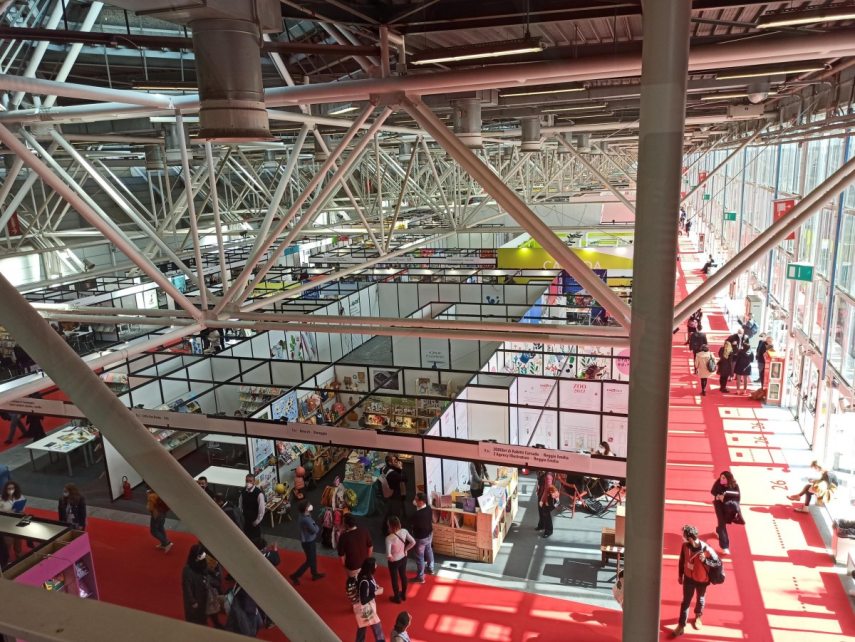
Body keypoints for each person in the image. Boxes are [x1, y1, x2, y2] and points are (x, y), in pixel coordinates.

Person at [674, 524, 717, 637]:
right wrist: (680, 575)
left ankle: (698, 616)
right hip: (688, 578)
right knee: (685, 601)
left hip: (702, 579)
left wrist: (705, 561)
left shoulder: (706, 548)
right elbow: (682, 560)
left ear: (690, 538)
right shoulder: (685, 546)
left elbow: (717, 563)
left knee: (700, 598)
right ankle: (681, 625)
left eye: (684, 536)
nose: (683, 538)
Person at [289, 500, 325, 585]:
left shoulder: (303, 515)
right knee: (310, 561)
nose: (310, 506)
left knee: (313, 558)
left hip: (308, 540)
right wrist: (316, 526)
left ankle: (314, 573)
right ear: (306, 509)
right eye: (309, 505)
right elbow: (315, 530)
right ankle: (295, 576)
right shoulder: (306, 519)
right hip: (309, 542)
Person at [354, 558, 386, 642]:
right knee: (377, 627)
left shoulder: (365, 575)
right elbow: (363, 600)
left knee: (362, 626)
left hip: (365, 608)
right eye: (375, 564)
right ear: (371, 567)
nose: (376, 566)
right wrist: (375, 593)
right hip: (367, 608)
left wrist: (375, 586)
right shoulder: (364, 581)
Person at [385, 516, 415, 604]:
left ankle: (397, 598)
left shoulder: (389, 538)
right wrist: (406, 550)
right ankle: (403, 594)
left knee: (394, 579)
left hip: (394, 561)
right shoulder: (404, 531)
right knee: (403, 576)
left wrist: (390, 558)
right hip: (403, 557)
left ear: (390, 526)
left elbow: (388, 554)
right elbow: (413, 542)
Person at [711, 471, 741, 554]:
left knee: (723, 523)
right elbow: (712, 491)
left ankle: (718, 530)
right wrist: (718, 496)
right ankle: (725, 546)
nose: (721, 479)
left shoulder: (735, 485)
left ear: (729, 478)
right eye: (721, 477)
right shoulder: (718, 482)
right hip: (719, 505)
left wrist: (727, 499)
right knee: (722, 523)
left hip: (728, 507)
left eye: (724, 477)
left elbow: (738, 497)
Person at [338, 512, 374, 578]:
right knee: (363, 580)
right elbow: (370, 547)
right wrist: (367, 560)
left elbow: (341, 556)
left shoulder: (343, 537)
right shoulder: (364, 530)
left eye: (343, 522)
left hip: (352, 566)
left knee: (352, 582)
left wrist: (345, 566)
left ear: (346, 525)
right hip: (364, 564)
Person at [182, 543, 209, 625]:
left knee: (202, 616)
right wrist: (192, 601)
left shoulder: (203, 564)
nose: (203, 556)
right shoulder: (188, 570)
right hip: (195, 599)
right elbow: (187, 588)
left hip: (203, 596)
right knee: (194, 618)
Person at [410, 491, 434, 583]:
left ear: (421, 501)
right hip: (429, 534)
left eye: (416, 499)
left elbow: (412, 523)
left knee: (419, 557)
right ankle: (430, 568)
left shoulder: (417, 515)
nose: (414, 501)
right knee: (429, 550)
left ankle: (420, 577)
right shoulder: (429, 508)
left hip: (420, 537)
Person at [382, 455, 407, 534]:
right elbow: (404, 478)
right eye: (395, 461)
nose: (397, 462)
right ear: (390, 463)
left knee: (390, 511)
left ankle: (385, 528)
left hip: (388, 492)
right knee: (395, 513)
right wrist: (401, 468)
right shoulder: (393, 474)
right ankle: (392, 530)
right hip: (395, 495)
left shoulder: (384, 468)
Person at [238, 474, 265, 546]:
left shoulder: (258, 493)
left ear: (254, 482)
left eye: (250, 481)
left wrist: (256, 521)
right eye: (247, 481)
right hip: (245, 520)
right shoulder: (243, 492)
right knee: (247, 538)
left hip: (254, 521)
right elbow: (240, 505)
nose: (248, 483)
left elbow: (261, 510)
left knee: (256, 540)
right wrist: (241, 517)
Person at [146, 488, 173, 553]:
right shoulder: (163, 492)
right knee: (160, 527)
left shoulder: (152, 496)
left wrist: (148, 496)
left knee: (153, 531)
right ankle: (164, 544)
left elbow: (150, 508)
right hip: (163, 513)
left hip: (156, 514)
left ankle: (166, 543)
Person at [535, 471, 557, 538]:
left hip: (547, 498)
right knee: (541, 511)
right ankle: (541, 525)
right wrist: (538, 489)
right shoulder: (541, 472)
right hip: (541, 494)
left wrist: (542, 500)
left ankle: (549, 531)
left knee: (546, 513)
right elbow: (539, 482)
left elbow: (547, 490)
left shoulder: (548, 475)